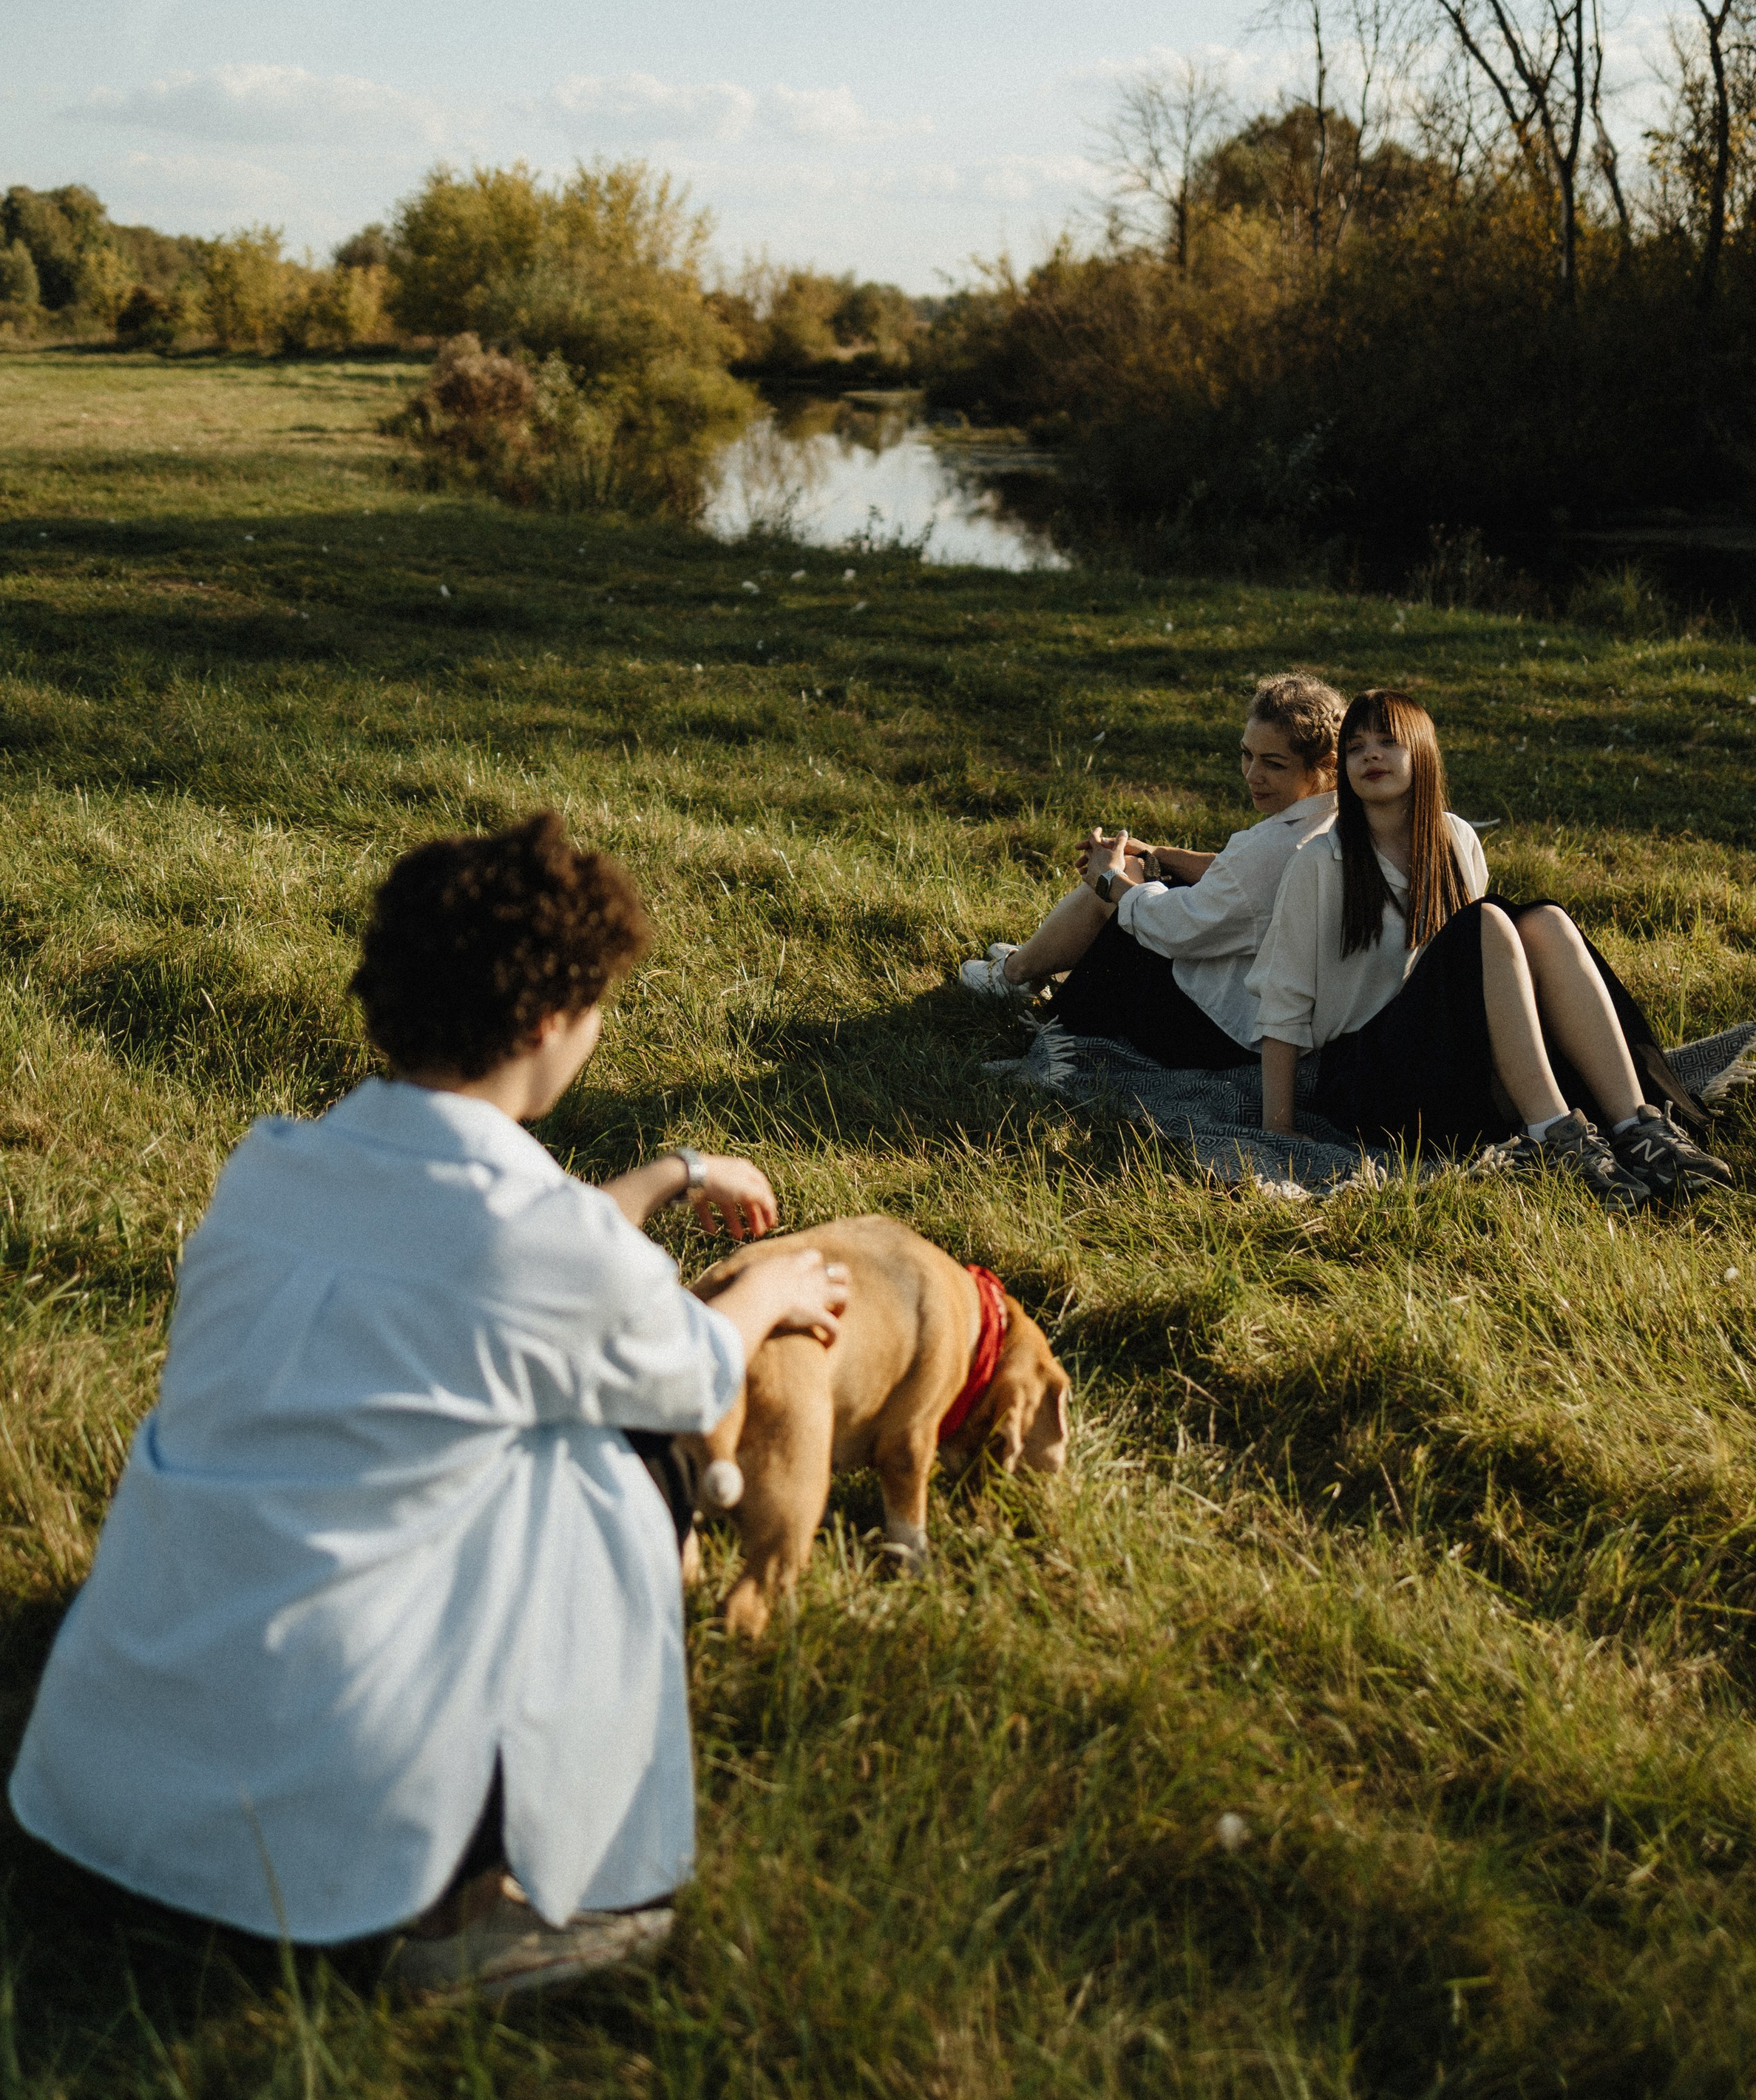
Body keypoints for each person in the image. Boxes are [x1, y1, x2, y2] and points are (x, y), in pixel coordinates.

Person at [8, 812, 849, 1999]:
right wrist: (771, 1287)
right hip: (330, 1809)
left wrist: (672, 1176)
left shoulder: (274, 1163)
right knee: (620, 1459)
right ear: (552, 1022)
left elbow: (489, 1257)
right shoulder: (537, 1242)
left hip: (114, 1766)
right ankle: (473, 1899)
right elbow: (686, 1366)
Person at [1250, 689, 1732, 1208]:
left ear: (1423, 754)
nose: (1370, 754)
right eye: (1356, 746)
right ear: (1343, 767)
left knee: (1545, 922)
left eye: (1389, 741)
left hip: (1451, 1054)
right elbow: (1284, 1001)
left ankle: (1637, 1127)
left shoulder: (1456, 839)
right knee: (1486, 922)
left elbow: (1492, 974)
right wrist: (1279, 1125)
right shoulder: (1320, 862)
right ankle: (1552, 1136)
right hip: (1372, 1081)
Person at [958, 672, 1344, 1070]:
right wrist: (1156, 852)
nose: (1252, 775)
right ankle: (1033, 963)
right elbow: (1231, 873)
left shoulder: (1280, 847)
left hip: (1217, 1032)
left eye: (1273, 764)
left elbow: (1178, 929)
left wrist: (1111, 880)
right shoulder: (1334, 815)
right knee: (1138, 870)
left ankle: (1015, 974)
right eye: (1247, 754)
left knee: (1121, 889)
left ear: (1326, 764)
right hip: (1262, 1008)